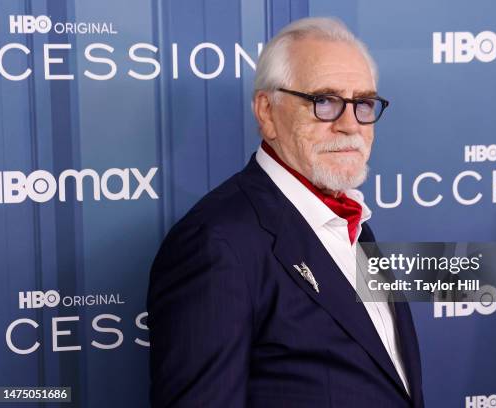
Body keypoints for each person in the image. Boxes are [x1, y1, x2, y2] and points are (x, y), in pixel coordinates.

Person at [147, 17, 424, 408]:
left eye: (362, 103)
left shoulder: (353, 219)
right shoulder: (218, 243)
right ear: (267, 112)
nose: (351, 125)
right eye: (324, 102)